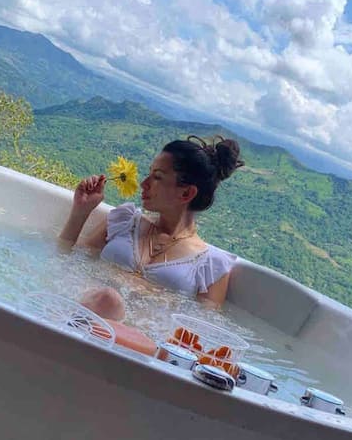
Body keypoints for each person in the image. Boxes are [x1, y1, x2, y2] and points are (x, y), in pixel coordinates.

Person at [59, 135, 244, 321]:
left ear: (186, 193)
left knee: (109, 299)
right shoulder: (125, 221)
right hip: (77, 317)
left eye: (157, 177)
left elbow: (202, 327)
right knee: (108, 298)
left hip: (131, 335)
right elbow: (65, 259)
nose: (144, 183)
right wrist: (80, 212)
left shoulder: (211, 265)